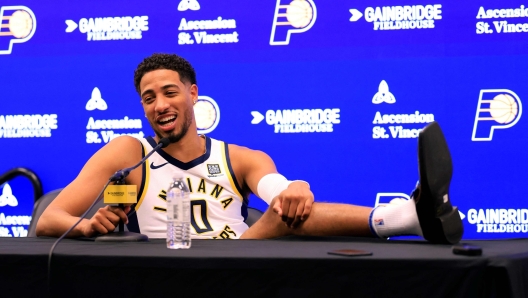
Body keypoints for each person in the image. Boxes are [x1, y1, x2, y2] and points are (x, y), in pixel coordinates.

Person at [36, 53, 463, 244]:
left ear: (193, 95)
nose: (160, 105)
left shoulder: (239, 156)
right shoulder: (126, 152)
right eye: (149, 98)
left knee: (284, 210)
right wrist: (90, 226)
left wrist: (292, 187)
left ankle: (409, 216)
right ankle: (407, 216)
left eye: (170, 92)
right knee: (282, 218)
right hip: (163, 268)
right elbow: (48, 220)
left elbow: (275, 189)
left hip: (238, 262)